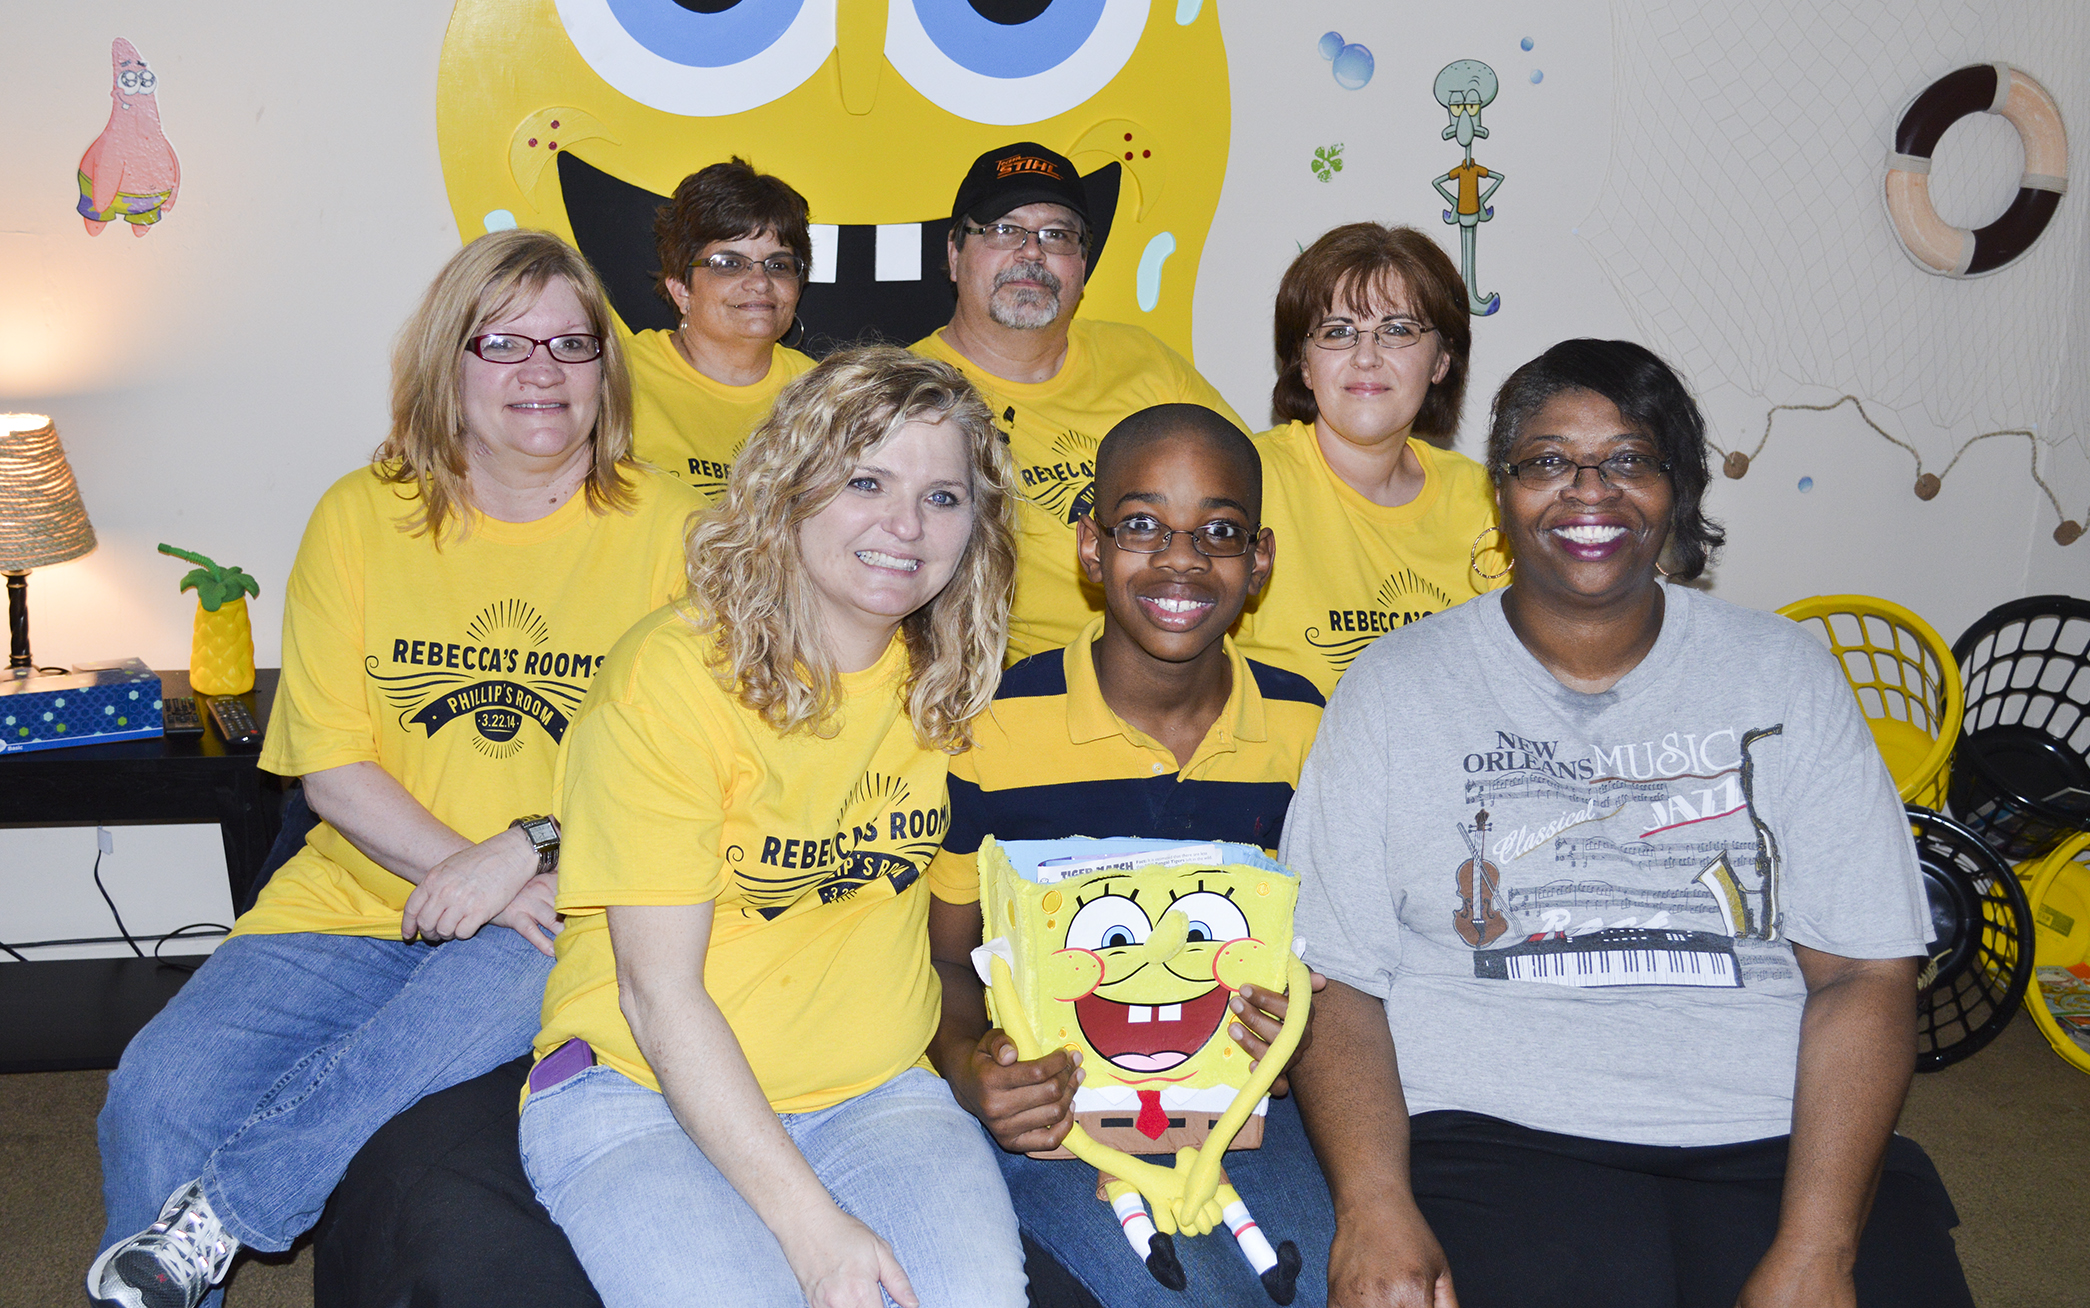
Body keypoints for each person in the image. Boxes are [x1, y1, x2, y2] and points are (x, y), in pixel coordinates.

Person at [1281, 338, 1973, 1308]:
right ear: (1503, 491)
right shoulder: (1396, 687)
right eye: (1549, 460)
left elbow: (1864, 971)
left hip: (1777, 1129)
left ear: (1677, 488)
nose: (1588, 490)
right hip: (1492, 1132)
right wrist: (1373, 1203)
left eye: (1629, 458)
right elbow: (1336, 971)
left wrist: (1820, 1248)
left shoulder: (1787, 676)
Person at [90, 230, 705, 1308]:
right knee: (155, 1090)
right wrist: (470, 867)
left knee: (502, 981)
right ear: (444, 365)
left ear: (607, 372)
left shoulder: (672, 533)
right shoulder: (360, 516)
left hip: (559, 910)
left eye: (571, 343)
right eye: (503, 342)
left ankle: (219, 1218)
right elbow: (329, 766)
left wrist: (521, 855)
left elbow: (688, 764)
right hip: (351, 897)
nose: (542, 371)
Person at [520, 348, 1028, 1308]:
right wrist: (813, 1230)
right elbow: (656, 997)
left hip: (878, 1095)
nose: (905, 525)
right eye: (866, 480)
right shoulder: (672, 679)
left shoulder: (953, 683)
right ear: (788, 490)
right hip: (641, 1092)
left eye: (945, 497)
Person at [927, 404, 1335, 1307]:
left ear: (1259, 560)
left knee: (1314, 1289)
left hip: (1247, 1109)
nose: (1181, 559)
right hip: (1058, 1113)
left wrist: (1295, 1024)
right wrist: (972, 1069)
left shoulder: (1306, 727)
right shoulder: (990, 726)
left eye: (1218, 532)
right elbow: (946, 960)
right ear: (1090, 547)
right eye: (1142, 525)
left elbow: (1332, 963)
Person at [911, 142, 1248, 663]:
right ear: (955, 255)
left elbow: (1246, 507)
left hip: (1183, 670)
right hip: (1010, 693)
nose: (1031, 251)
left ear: (1083, 265)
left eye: (1057, 235)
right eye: (1004, 229)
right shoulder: (905, 392)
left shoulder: (1144, 361)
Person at [1233, 222, 1500, 696]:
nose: (1366, 356)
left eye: (1397, 329)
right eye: (1338, 332)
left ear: (1441, 361)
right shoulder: (1241, 479)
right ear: (1304, 364)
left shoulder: (1486, 500)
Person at [630, 157, 817, 500]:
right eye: (729, 264)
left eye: (778, 264)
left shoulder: (824, 397)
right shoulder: (617, 379)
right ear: (681, 288)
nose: (760, 282)